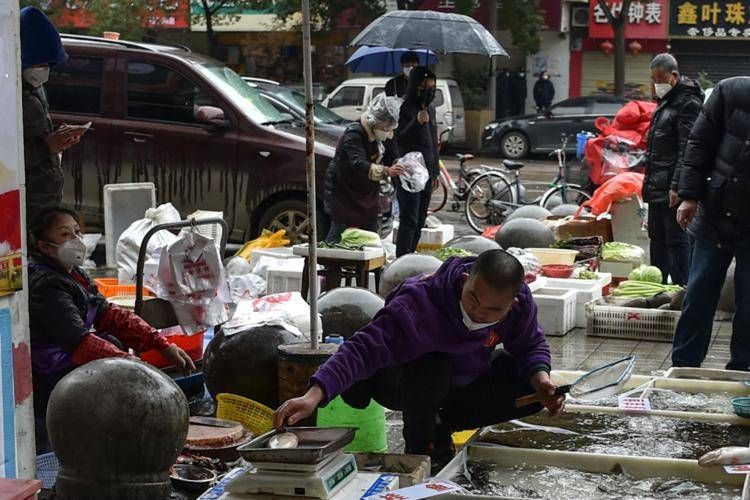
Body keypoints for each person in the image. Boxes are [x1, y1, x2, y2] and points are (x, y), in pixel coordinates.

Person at [275, 250, 564, 468]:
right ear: (465, 281)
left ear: (511, 305)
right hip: (403, 381)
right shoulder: (419, 303)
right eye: (473, 298)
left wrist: (542, 379)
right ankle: (421, 445)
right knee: (434, 364)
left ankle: (441, 425)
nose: (479, 312)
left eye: (493, 310)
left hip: (461, 381)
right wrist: (314, 394)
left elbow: (531, 344)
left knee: (529, 385)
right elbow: (362, 348)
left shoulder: (519, 306)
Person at [29, 207, 196, 452]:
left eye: (77, 232)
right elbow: (81, 344)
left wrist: (161, 344)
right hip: (49, 376)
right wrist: (136, 367)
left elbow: (109, 314)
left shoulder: (75, 274)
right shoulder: (46, 285)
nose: (76, 240)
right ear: (44, 247)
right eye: (65, 235)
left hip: (68, 359)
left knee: (113, 340)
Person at [671, 77, 750, 370]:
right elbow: (698, 144)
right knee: (700, 293)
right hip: (715, 210)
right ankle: (683, 365)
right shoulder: (730, 92)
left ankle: (743, 369)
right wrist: (688, 196)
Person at [20, 7, 87, 222]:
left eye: (49, 65)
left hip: (44, 203)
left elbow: (37, 135)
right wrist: (47, 146)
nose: (45, 70)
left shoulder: (33, 87)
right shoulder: (7, 96)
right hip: (24, 207)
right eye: (40, 64)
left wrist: (58, 138)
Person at [643, 54, 703, 287]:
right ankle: (658, 290)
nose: (656, 84)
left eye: (660, 79)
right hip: (656, 185)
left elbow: (687, 148)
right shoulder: (666, 101)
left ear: (674, 76)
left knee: (676, 241)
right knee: (656, 239)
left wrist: (677, 185)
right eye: (653, 79)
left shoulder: (688, 103)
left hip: (671, 187)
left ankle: (682, 291)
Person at [323, 93, 405, 243]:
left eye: (390, 128)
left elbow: (391, 153)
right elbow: (358, 164)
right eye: (385, 128)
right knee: (338, 232)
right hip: (344, 191)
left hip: (366, 191)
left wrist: (398, 162)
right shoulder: (354, 133)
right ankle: (323, 263)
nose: (388, 132)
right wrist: (387, 171)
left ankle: (369, 264)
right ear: (375, 122)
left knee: (371, 233)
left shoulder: (382, 134)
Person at [394, 67, 439, 256]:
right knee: (409, 219)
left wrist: (435, 171)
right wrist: (416, 122)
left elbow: (433, 142)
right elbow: (399, 139)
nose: (428, 91)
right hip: (409, 172)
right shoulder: (404, 107)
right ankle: (402, 258)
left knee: (421, 219)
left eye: (432, 88)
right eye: (424, 87)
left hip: (427, 172)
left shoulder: (431, 109)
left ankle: (411, 254)